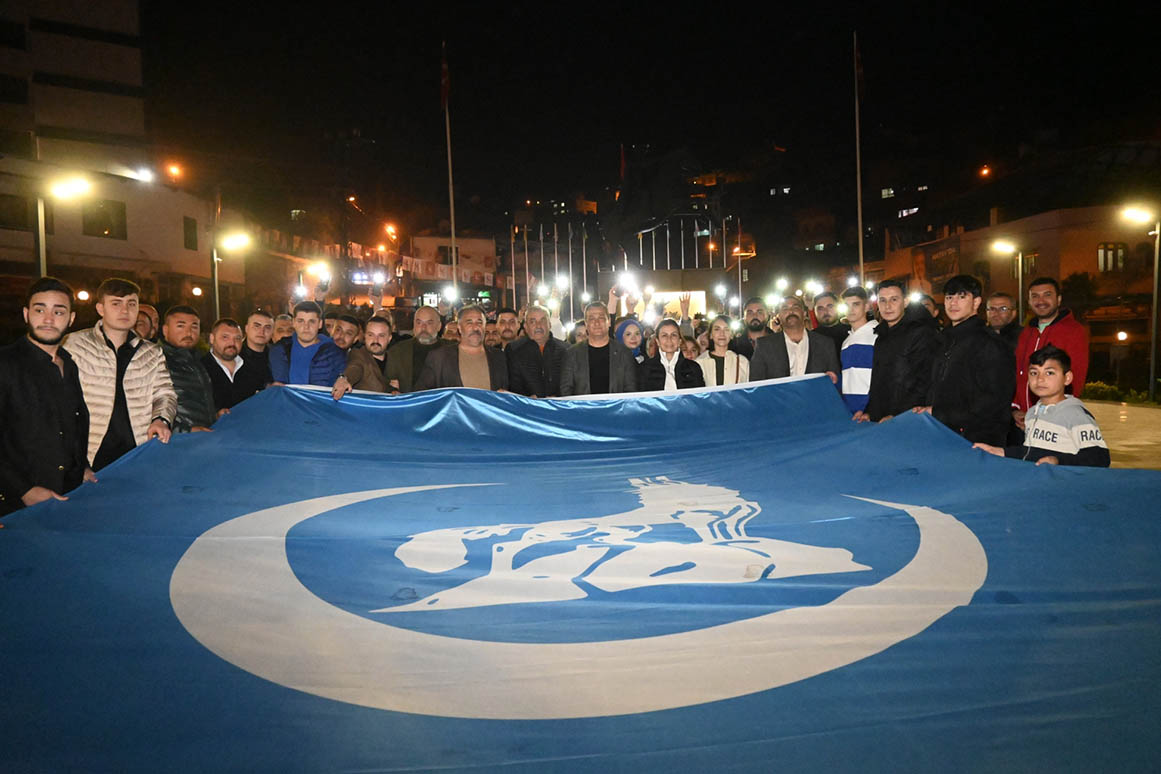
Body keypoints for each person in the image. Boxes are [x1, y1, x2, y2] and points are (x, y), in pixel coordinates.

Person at [0, 277, 96, 516]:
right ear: (25, 314)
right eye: (40, 309)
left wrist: (80, 466)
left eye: (59, 311)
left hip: (67, 496)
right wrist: (23, 490)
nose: (48, 319)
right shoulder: (5, 363)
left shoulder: (69, 365)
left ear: (71, 319)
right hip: (15, 505)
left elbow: (72, 422)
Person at [63, 277, 175, 471]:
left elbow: (165, 394)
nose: (125, 310)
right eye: (116, 303)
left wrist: (161, 419)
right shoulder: (74, 345)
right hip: (88, 454)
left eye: (131, 304)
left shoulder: (151, 352)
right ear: (100, 308)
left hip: (137, 451)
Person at [911, 275, 1015, 445]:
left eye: (961, 296)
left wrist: (940, 413)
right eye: (949, 297)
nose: (953, 303)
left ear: (976, 302)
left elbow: (994, 400)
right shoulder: (943, 340)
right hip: (940, 434)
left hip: (975, 440)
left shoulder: (989, 343)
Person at [974, 346, 1109, 467]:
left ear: (1067, 378)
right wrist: (998, 451)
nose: (1040, 379)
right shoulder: (1033, 413)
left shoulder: (1076, 415)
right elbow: (1029, 453)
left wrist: (1058, 461)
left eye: (1049, 372)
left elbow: (1100, 458)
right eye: (1034, 373)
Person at [857, 280, 940, 423]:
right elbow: (877, 381)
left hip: (908, 418)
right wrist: (869, 412)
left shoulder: (921, 333)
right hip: (881, 419)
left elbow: (924, 381)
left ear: (906, 302)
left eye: (894, 299)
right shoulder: (880, 336)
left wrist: (898, 415)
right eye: (882, 300)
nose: (887, 306)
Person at [1012, 277, 1089, 431]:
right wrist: (1016, 408)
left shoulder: (1073, 331)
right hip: (1023, 420)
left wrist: (1053, 414)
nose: (1041, 300)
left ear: (1058, 299)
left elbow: (1076, 376)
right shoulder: (1027, 333)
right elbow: (1018, 373)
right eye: (1035, 296)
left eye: (1047, 295)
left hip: (1054, 421)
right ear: (1029, 302)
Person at [415, 304, 508, 391]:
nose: (475, 328)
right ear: (459, 327)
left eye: (479, 322)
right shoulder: (439, 358)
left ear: (484, 326)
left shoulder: (499, 357)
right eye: (469, 323)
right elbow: (422, 395)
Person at [749, 297, 840, 382]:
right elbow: (756, 384)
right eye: (785, 308)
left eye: (795, 307)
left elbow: (835, 380)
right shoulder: (764, 345)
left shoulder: (825, 344)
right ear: (779, 316)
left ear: (804, 313)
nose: (791, 311)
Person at [559, 302, 639, 395]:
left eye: (601, 318)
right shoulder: (572, 354)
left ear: (609, 321)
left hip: (616, 408)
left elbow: (631, 390)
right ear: (586, 323)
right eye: (592, 318)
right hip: (582, 409)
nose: (597, 323)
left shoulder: (624, 353)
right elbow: (565, 391)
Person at [160, 305, 217, 432]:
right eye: (181, 326)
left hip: (202, 436)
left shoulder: (199, 360)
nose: (188, 332)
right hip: (177, 442)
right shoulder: (157, 361)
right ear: (165, 330)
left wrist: (215, 415)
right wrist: (185, 431)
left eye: (194, 327)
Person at [268, 301, 347, 387]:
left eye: (312, 321)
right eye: (301, 321)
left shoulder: (334, 352)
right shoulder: (279, 349)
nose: (306, 327)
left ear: (320, 324)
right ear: (294, 322)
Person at [202, 318, 266, 410]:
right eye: (225, 337)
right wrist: (214, 416)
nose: (232, 343)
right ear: (212, 338)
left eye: (237, 338)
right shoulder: (201, 369)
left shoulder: (252, 368)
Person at [385, 305, 450, 393]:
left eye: (429, 323)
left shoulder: (451, 350)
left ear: (439, 326)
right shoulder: (398, 351)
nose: (423, 328)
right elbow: (387, 383)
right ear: (414, 325)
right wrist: (393, 391)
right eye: (419, 323)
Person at [506, 304, 567, 397]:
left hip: (559, 407)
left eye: (542, 320)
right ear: (525, 326)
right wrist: (526, 398)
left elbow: (570, 383)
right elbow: (512, 383)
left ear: (549, 324)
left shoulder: (565, 349)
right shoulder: (514, 350)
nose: (538, 326)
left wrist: (558, 397)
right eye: (532, 321)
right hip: (527, 407)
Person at [332, 316, 393, 398]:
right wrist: (344, 379)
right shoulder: (358, 354)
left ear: (389, 338)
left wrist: (393, 389)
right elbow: (355, 367)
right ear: (365, 336)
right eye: (371, 335)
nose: (375, 340)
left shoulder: (397, 359)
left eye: (381, 335)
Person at [839, 286, 878, 414]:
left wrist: (871, 410)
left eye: (856, 304)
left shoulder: (877, 334)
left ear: (866, 306)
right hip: (849, 411)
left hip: (871, 411)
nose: (850, 309)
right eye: (846, 305)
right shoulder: (845, 342)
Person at [640, 318, 706, 391]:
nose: (669, 339)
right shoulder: (645, 368)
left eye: (673, 335)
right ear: (657, 341)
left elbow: (700, 399)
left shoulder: (693, 368)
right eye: (664, 335)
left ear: (679, 341)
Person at [696, 315, 749, 386]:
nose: (722, 334)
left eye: (726, 329)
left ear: (732, 335)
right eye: (717, 329)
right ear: (711, 335)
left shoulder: (742, 362)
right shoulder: (700, 362)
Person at [812, 291, 850, 362]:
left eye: (830, 306)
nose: (825, 311)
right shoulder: (809, 339)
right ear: (815, 312)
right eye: (820, 308)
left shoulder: (851, 333)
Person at [240, 309, 274, 388]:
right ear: (246, 328)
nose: (261, 331)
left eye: (267, 327)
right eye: (257, 326)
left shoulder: (276, 355)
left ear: (272, 332)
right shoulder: (234, 355)